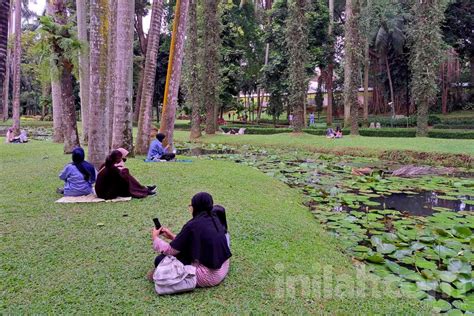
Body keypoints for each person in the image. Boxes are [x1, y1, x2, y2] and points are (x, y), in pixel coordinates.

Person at [150, 192, 231, 289]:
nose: (190, 208)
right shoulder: (214, 218)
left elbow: (170, 250)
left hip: (208, 276)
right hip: (223, 267)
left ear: (196, 207)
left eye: (191, 206)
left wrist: (155, 238)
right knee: (181, 253)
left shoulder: (193, 225)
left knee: (159, 260)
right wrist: (172, 236)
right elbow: (196, 242)